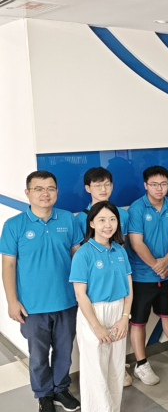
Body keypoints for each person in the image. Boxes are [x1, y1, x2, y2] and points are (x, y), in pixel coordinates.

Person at [0, 171, 82, 412]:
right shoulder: (14, 225)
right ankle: (43, 394)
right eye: (38, 189)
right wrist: (12, 301)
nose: (45, 194)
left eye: (50, 188)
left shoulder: (68, 219)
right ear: (28, 193)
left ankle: (61, 389)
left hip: (67, 300)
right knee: (38, 355)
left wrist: (82, 294)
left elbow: (78, 257)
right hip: (32, 306)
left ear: (57, 192)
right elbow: (8, 265)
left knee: (64, 352)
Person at [127, 166, 168, 385]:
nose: (159, 188)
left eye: (163, 184)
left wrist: (165, 261)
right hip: (142, 276)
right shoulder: (136, 208)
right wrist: (156, 265)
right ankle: (141, 364)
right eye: (154, 184)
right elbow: (136, 242)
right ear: (146, 185)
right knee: (138, 322)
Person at [70, 201, 133, 412]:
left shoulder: (120, 251)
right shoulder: (84, 253)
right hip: (93, 313)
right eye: (102, 220)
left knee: (116, 368)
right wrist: (96, 327)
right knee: (95, 372)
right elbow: (80, 295)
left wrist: (124, 317)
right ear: (92, 223)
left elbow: (129, 288)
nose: (108, 225)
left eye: (113, 219)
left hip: (118, 312)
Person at [75, 167, 130, 240]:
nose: (103, 189)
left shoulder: (123, 214)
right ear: (87, 188)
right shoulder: (79, 219)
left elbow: (122, 242)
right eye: (98, 186)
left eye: (107, 184)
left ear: (112, 186)